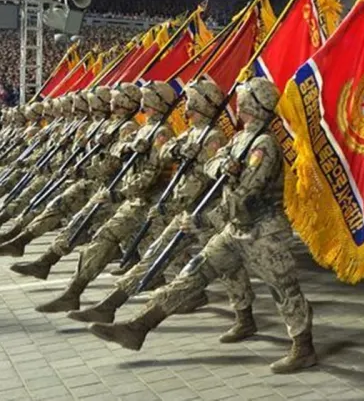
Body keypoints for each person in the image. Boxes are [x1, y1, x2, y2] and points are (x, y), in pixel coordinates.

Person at [89, 77, 317, 374]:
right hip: (234, 230)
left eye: (243, 99)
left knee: (284, 290)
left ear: (251, 104)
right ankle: (139, 326)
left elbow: (244, 199)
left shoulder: (264, 145)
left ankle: (304, 347)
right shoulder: (239, 139)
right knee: (194, 272)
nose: (238, 103)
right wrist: (221, 166)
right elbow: (213, 166)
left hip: (263, 231)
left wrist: (201, 220)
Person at [67, 79, 257, 340]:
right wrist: (179, 149)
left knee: (227, 268)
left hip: (203, 213)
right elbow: (166, 150)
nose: (186, 108)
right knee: (155, 255)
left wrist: (170, 204)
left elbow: (200, 180)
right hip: (184, 212)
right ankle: (110, 306)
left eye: (191, 102)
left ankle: (244, 318)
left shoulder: (212, 137)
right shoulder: (192, 134)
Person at [34, 81, 177, 313]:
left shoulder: (161, 132)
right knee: (108, 238)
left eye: (147, 98)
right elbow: (119, 158)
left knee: (162, 253)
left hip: (147, 199)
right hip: (133, 198)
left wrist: (122, 191)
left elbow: (152, 172)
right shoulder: (143, 130)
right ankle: (74, 292)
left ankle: (99, 299)